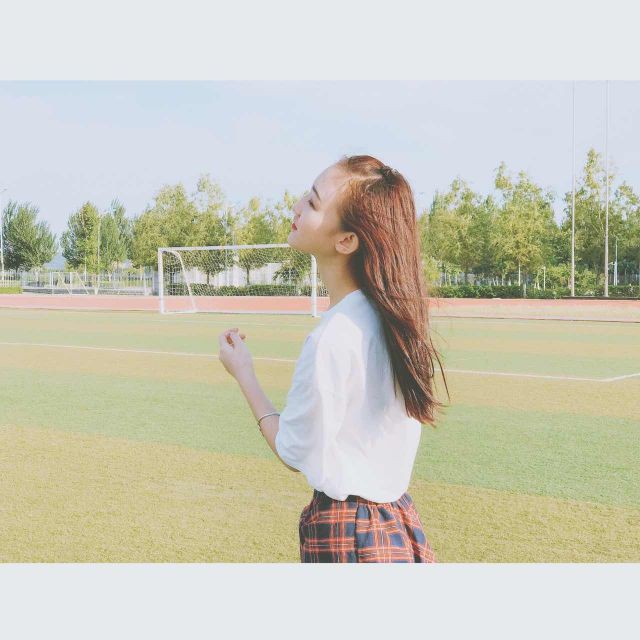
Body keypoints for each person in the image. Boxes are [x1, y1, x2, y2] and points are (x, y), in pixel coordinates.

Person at [218, 154, 449, 562]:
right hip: (397, 521)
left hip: (350, 532)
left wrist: (244, 374)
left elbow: (292, 450)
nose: (296, 207)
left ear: (346, 241)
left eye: (312, 202)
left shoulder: (334, 337)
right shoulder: (394, 321)